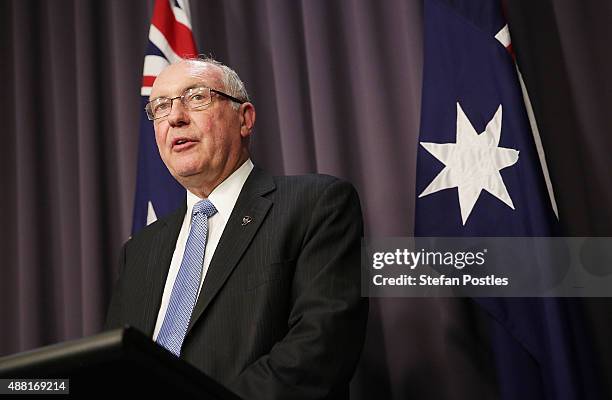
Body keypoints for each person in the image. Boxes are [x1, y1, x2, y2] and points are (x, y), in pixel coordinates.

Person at [105, 56, 368, 400]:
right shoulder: (139, 251)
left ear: (244, 119)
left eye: (197, 97)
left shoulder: (317, 204)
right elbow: (114, 370)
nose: (176, 118)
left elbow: (320, 349)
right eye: (160, 107)